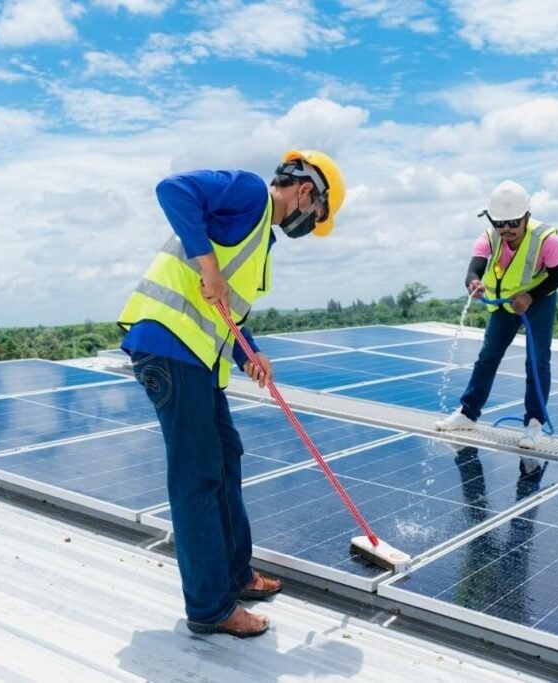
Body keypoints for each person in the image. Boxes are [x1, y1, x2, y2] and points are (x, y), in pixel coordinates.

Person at [117, 150, 346, 638]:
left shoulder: (261, 237)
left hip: (198, 358)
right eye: (318, 213)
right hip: (169, 348)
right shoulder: (249, 193)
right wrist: (207, 266)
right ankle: (209, 608)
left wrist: (250, 355)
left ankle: (235, 577)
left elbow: (228, 316)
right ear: (306, 191)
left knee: (225, 458)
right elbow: (172, 190)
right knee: (198, 476)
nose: (312, 223)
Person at [435, 180, 558, 459]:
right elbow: (474, 270)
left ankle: (534, 423)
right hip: (504, 304)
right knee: (488, 356)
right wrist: (474, 283)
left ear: (526, 216)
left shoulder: (548, 240)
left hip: (538, 301)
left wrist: (530, 296)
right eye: (500, 223)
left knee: (537, 361)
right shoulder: (489, 237)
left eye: (513, 223)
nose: (506, 229)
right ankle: (468, 414)